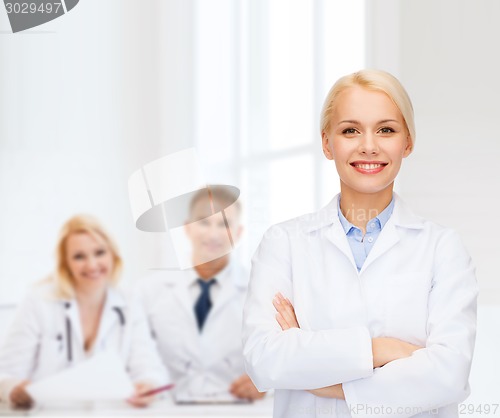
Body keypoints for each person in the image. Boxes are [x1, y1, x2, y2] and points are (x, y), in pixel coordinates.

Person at [242, 70, 478, 417]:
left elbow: (449, 375)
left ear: (407, 142)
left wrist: (318, 377)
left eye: (386, 129)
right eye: (350, 130)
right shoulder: (284, 243)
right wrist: (381, 350)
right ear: (327, 143)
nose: (369, 145)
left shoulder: (443, 247)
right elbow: (264, 360)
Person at [0, 215, 169, 409]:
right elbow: (5, 373)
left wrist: (148, 385)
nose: (92, 265)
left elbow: (149, 366)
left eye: (99, 253)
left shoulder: (129, 302)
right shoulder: (39, 302)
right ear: (66, 264)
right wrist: (14, 389)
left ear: (113, 255)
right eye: (79, 256)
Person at [139, 186, 264, 402]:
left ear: (238, 233)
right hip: (168, 411)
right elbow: (140, 354)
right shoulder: (150, 291)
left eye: (224, 224)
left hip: (235, 410)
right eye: (204, 222)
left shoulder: (259, 290)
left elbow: (279, 357)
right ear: (187, 228)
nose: (213, 234)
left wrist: (265, 383)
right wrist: (146, 383)